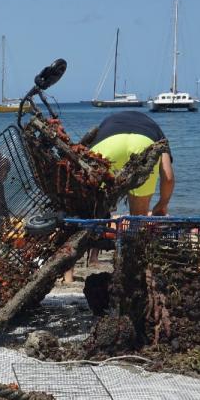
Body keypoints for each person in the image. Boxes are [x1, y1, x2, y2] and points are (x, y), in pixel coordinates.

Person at [64, 111, 175, 282]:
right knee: (137, 221)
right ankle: (131, 272)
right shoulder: (156, 132)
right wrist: (162, 204)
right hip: (144, 145)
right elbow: (168, 176)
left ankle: (68, 275)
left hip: (108, 144)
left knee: (86, 212)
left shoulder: (108, 123)